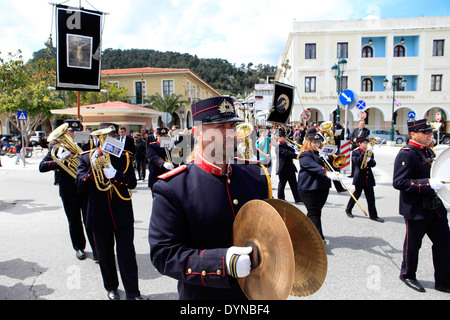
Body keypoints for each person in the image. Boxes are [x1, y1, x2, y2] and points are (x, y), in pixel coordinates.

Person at [148, 97, 272, 300]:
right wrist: (222, 263)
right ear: (197, 132)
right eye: (220, 126)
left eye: (232, 125)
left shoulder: (254, 175)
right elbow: (164, 254)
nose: (230, 133)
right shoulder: (174, 187)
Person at [76, 122, 142, 300]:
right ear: (95, 137)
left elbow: (132, 183)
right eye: (103, 135)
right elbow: (80, 186)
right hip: (99, 214)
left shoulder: (125, 157)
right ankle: (111, 287)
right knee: (105, 255)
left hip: (122, 212)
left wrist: (115, 175)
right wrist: (93, 169)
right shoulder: (85, 157)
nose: (107, 138)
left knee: (127, 255)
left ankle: (133, 292)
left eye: (111, 134)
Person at [393, 119, 450, 293]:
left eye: (430, 132)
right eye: (426, 133)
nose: (429, 135)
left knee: (445, 244)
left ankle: (443, 281)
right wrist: (427, 183)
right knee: (413, 246)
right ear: (413, 134)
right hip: (416, 208)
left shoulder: (429, 150)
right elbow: (399, 182)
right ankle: (408, 275)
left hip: (435, 207)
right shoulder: (407, 153)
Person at [39, 119, 96, 261]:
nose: (74, 134)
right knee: (74, 220)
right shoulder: (57, 146)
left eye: (77, 131)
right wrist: (58, 161)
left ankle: (96, 249)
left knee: (90, 220)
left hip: (85, 187)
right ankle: (79, 247)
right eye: (71, 131)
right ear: (65, 132)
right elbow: (42, 167)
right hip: (69, 190)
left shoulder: (87, 143)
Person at [298, 128, 340, 241]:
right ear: (309, 143)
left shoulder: (321, 154)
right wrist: (326, 173)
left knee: (314, 213)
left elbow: (332, 165)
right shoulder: (305, 155)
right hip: (309, 188)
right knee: (315, 213)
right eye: (314, 142)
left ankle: (299, 232)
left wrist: (329, 160)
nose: (317, 144)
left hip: (322, 187)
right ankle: (318, 239)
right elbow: (312, 166)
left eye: (318, 142)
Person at [345, 136, 384, 222]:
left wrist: (369, 159)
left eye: (367, 142)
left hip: (368, 177)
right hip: (360, 177)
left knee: (371, 197)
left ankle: (373, 215)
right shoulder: (356, 152)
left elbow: (373, 164)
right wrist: (364, 155)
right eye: (364, 143)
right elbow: (357, 162)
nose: (366, 144)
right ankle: (348, 209)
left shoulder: (370, 152)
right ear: (359, 143)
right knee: (356, 195)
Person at [276, 129, 302, 203]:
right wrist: (298, 156)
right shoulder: (279, 145)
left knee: (294, 183)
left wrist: (291, 146)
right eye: (283, 137)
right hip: (283, 168)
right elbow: (287, 153)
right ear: (279, 137)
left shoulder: (285, 144)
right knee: (282, 183)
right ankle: (281, 198)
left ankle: (297, 198)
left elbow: (292, 151)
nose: (285, 138)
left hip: (290, 167)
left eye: (285, 137)